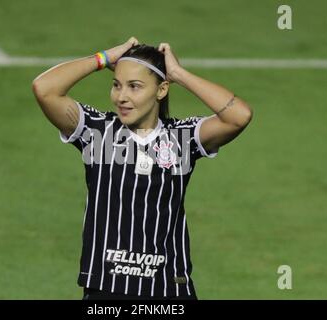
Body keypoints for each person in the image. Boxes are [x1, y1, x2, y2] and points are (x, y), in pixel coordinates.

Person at [32, 37, 253, 300]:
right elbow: (44, 88)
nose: (122, 97)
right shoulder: (97, 132)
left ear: (161, 90)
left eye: (134, 87)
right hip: (108, 289)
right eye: (116, 85)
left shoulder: (182, 137)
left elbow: (239, 115)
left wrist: (179, 74)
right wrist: (103, 58)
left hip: (168, 288)